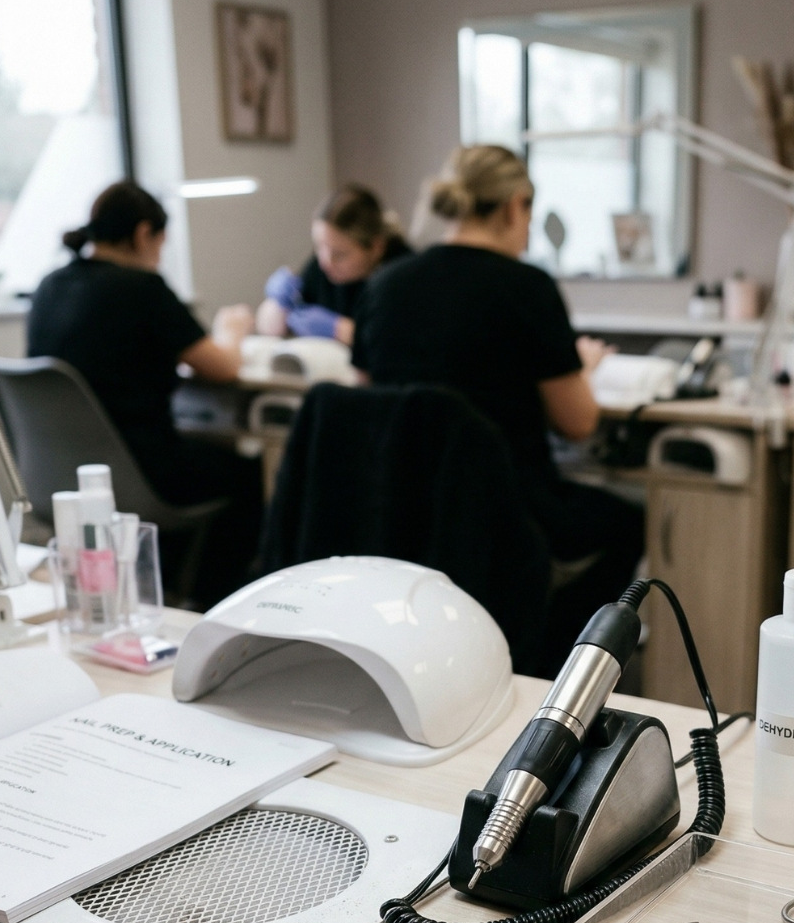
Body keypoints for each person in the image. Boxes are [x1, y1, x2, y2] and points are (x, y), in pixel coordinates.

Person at [351, 144, 642, 674]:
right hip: (507, 505)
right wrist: (582, 368)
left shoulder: (384, 285)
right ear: (514, 206)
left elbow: (366, 398)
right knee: (626, 523)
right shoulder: (526, 288)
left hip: (399, 502)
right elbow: (579, 425)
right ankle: (556, 667)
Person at [27, 179, 261, 606]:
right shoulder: (142, 290)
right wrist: (234, 330)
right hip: (139, 473)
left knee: (196, 456)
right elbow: (223, 368)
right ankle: (216, 604)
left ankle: (168, 585)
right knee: (247, 472)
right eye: (160, 244)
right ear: (142, 234)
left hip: (56, 477)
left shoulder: (49, 287)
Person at [256, 185, 412, 346]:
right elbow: (270, 329)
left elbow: (399, 343)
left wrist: (343, 330)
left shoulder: (403, 275)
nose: (325, 262)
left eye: (340, 254)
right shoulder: (323, 265)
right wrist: (276, 303)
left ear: (376, 247)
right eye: (319, 247)